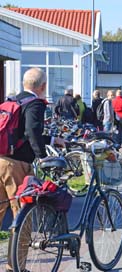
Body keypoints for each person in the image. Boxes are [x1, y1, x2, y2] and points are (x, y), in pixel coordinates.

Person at [0, 68, 64, 271]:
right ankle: (16, 266)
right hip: (18, 165)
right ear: (43, 86)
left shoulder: (12, 101)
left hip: (1, 160)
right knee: (22, 215)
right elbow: (31, 132)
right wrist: (43, 157)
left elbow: (20, 134)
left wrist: (53, 140)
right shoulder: (35, 104)